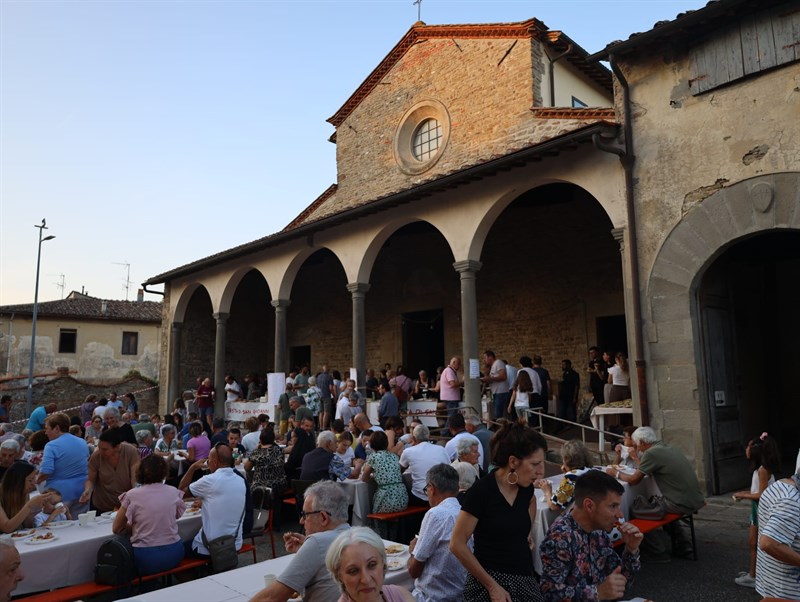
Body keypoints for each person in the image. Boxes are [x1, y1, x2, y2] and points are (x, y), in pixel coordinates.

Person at [450, 421, 547, 602]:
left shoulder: (526, 488)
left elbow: (531, 502)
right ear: (513, 461)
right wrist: (492, 587)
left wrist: (525, 531)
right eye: (535, 464)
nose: (541, 471)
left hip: (524, 576)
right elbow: (457, 544)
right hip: (488, 582)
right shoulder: (481, 491)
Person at [539, 470, 643, 601]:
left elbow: (621, 584)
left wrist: (631, 549)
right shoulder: (560, 537)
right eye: (613, 506)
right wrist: (597, 593)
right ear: (589, 505)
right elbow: (549, 593)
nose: (620, 515)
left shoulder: (598, 530)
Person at [605, 426, 704, 561]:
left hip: (680, 502)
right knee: (653, 505)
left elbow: (634, 480)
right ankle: (683, 544)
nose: (637, 448)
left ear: (643, 443)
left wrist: (615, 473)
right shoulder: (666, 447)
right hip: (694, 498)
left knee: (637, 510)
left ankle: (657, 552)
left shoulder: (652, 453)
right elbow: (648, 471)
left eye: (637, 445)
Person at [251, 481, 351, 602]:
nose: (301, 521)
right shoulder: (358, 537)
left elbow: (272, 597)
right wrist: (304, 549)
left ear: (324, 517)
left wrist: (311, 547)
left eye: (305, 514)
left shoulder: (317, 543)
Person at [113, 454, 185, 575]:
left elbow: (116, 528)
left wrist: (134, 526)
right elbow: (176, 516)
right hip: (174, 552)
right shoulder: (173, 491)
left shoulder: (132, 495)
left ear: (139, 472)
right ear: (164, 472)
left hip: (146, 556)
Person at [408, 464, 468, 602]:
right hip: (459, 595)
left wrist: (413, 550)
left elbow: (414, 571)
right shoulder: (464, 512)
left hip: (432, 597)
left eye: (426, 490)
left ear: (431, 488)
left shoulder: (436, 514)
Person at [180, 443, 246, 558]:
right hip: (235, 544)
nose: (207, 462)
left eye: (209, 460)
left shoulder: (209, 480)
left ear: (214, 462)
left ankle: (202, 575)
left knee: (178, 551)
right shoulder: (241, 479)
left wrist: (192, 468)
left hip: (211, 548)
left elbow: (180, 493)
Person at [732, 432, 779, 588]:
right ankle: (754, 573)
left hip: (762, 509)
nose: (746, 449)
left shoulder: (762, 470)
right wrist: (745, 494)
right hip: (757, 508)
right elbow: (757, 491)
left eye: (749, 446)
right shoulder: (759, 469)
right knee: (753, 543)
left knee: (755, 543)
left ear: (755, 451)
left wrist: (743, 495)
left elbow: (762, 495)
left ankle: (754, 576)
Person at [325, 526, 415, 602]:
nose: (366, 580)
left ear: (383, 564)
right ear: (339, 576)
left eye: (372, 565)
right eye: (353, 571)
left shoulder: (401, 596)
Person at [755, 467, 800, 600]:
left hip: (771, 582)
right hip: (787, 591)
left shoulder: (780, 485)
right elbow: (769, 544)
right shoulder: (792, 501)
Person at [37, 412, 89, 514]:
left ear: (56, 428)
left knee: (58, 525)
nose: (45, 432)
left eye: (47, 428)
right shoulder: (82, 442)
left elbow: (46, 471)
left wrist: (36, 480)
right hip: (82, 490)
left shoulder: (51, 446)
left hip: (59, 493)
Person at [80, 429, 139, 513]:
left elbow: (135, 479)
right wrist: (87, 491)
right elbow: (90, 480)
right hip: (102, 505)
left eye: (105, 449)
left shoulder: (131, 452)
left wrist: (135, 498)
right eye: (99, 448)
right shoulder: (96, 456)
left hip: (125, 506)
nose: (100, 451)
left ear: (117, 447)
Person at [535, 439, 594, 513]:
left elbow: (554, 506)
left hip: (578, 519)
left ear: (566, 459)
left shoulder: (570, 479)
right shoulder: (591, 472)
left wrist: (547, 491)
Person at [399, 424, 451, 506]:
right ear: (429, 436)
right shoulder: (441, 449)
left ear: (414, 438)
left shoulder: (408, 451)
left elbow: (399, 470)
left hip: (420, 497)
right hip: (441, 495)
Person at [0, 463, 55, 532]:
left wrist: (33, 512)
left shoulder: (23, 492)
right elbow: (7, 528)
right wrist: (29, 506)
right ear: (17, 481)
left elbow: (27, 526)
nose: (34, 483)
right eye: (30, 480)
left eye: (34, 479)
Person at [361, 431, 407, 513]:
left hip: (386, 498)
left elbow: (364, 478)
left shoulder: (374, 457)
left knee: (373, 511)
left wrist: (373, 477)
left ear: (371, 444)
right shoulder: (394, 456)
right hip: (402, 497)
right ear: (386, 443)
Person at [245, 427, 288, 495]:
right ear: (273, 439)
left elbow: (247, 468)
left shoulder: (257, 452)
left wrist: (255, 450)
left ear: (260, 440)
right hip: (278, 486)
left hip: (260, 486)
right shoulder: (279, 450)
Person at [479, 351, 508, 421]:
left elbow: (503, 376)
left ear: (490, 357)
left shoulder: (498, 363)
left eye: (485, 358)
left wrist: (490, 378)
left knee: (498, 415)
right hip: (496, 392)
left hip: (501, 392)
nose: (484, 360)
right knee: (496, 414)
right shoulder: (493, 366)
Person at [439, 357, 463, 427]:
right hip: (451, 398)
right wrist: (463, 382)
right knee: (452, 417)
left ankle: (448, 432)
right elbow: (453, 384)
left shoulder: (450, 371)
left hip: (451, 397)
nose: (459, 366)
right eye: (458, 364)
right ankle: (445, 433)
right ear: (453, 363)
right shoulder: (449, 371)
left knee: (452, 416)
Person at [557, 359, 580, 427]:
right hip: (564, 396)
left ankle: (572, 426)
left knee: (571, 412)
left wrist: (574, 397)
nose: (562, 366)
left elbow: (576, 386)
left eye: (563, 365)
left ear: (568, 365)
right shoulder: (565, 374)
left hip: (570, 396)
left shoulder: (575, 374)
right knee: (561, 412)